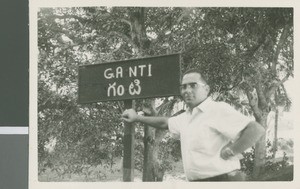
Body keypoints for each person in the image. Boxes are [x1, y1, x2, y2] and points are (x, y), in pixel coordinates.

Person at [122, 68, 265, 181]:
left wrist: (232, 150)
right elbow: (165, 122)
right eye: (183, 87)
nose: (187, 91)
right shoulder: (186, 117)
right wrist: (137, 118)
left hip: (223, 179)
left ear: (207, 89)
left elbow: (256, 129)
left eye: (193, 86)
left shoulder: (217, 109)